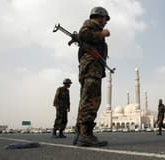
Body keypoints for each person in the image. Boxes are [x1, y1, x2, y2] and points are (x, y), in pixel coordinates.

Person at [73, 6, 110, 147]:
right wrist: (102, 34)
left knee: (85, 100)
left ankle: (80, 133)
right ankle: (86, 135)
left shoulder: (92, 27)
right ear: (99, 16)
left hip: (90, 67)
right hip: (92, 68)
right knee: (92, 100)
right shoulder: (91, 25)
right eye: (105, 19)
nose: (106, 22)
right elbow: (84, 35)